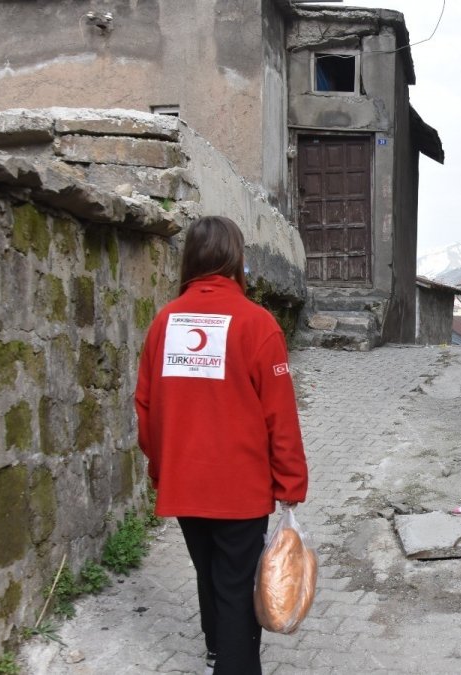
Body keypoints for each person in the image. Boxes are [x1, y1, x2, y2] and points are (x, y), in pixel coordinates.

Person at [135, 216, 308, 675]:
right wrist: (290, 480)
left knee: (208, 569)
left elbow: (145, 406)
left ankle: (216, 646)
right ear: (235, 259)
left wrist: (160, 468)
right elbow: (280, 415)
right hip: (239, 487)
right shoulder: (257, 324)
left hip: (185, 483)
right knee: (234, 583)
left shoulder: (164, 323)